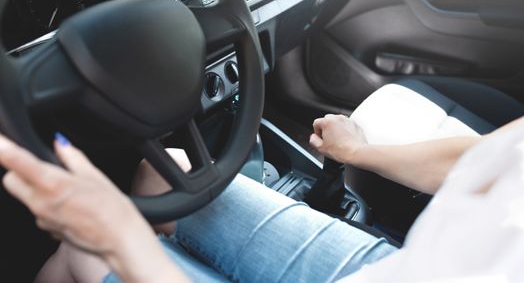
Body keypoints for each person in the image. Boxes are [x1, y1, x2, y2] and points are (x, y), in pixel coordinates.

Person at [1, 114, 524, 282]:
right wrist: (360, 153)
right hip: (406, 268)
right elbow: (487, 160)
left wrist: (121, 240)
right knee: (167, 175)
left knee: (85, 248)